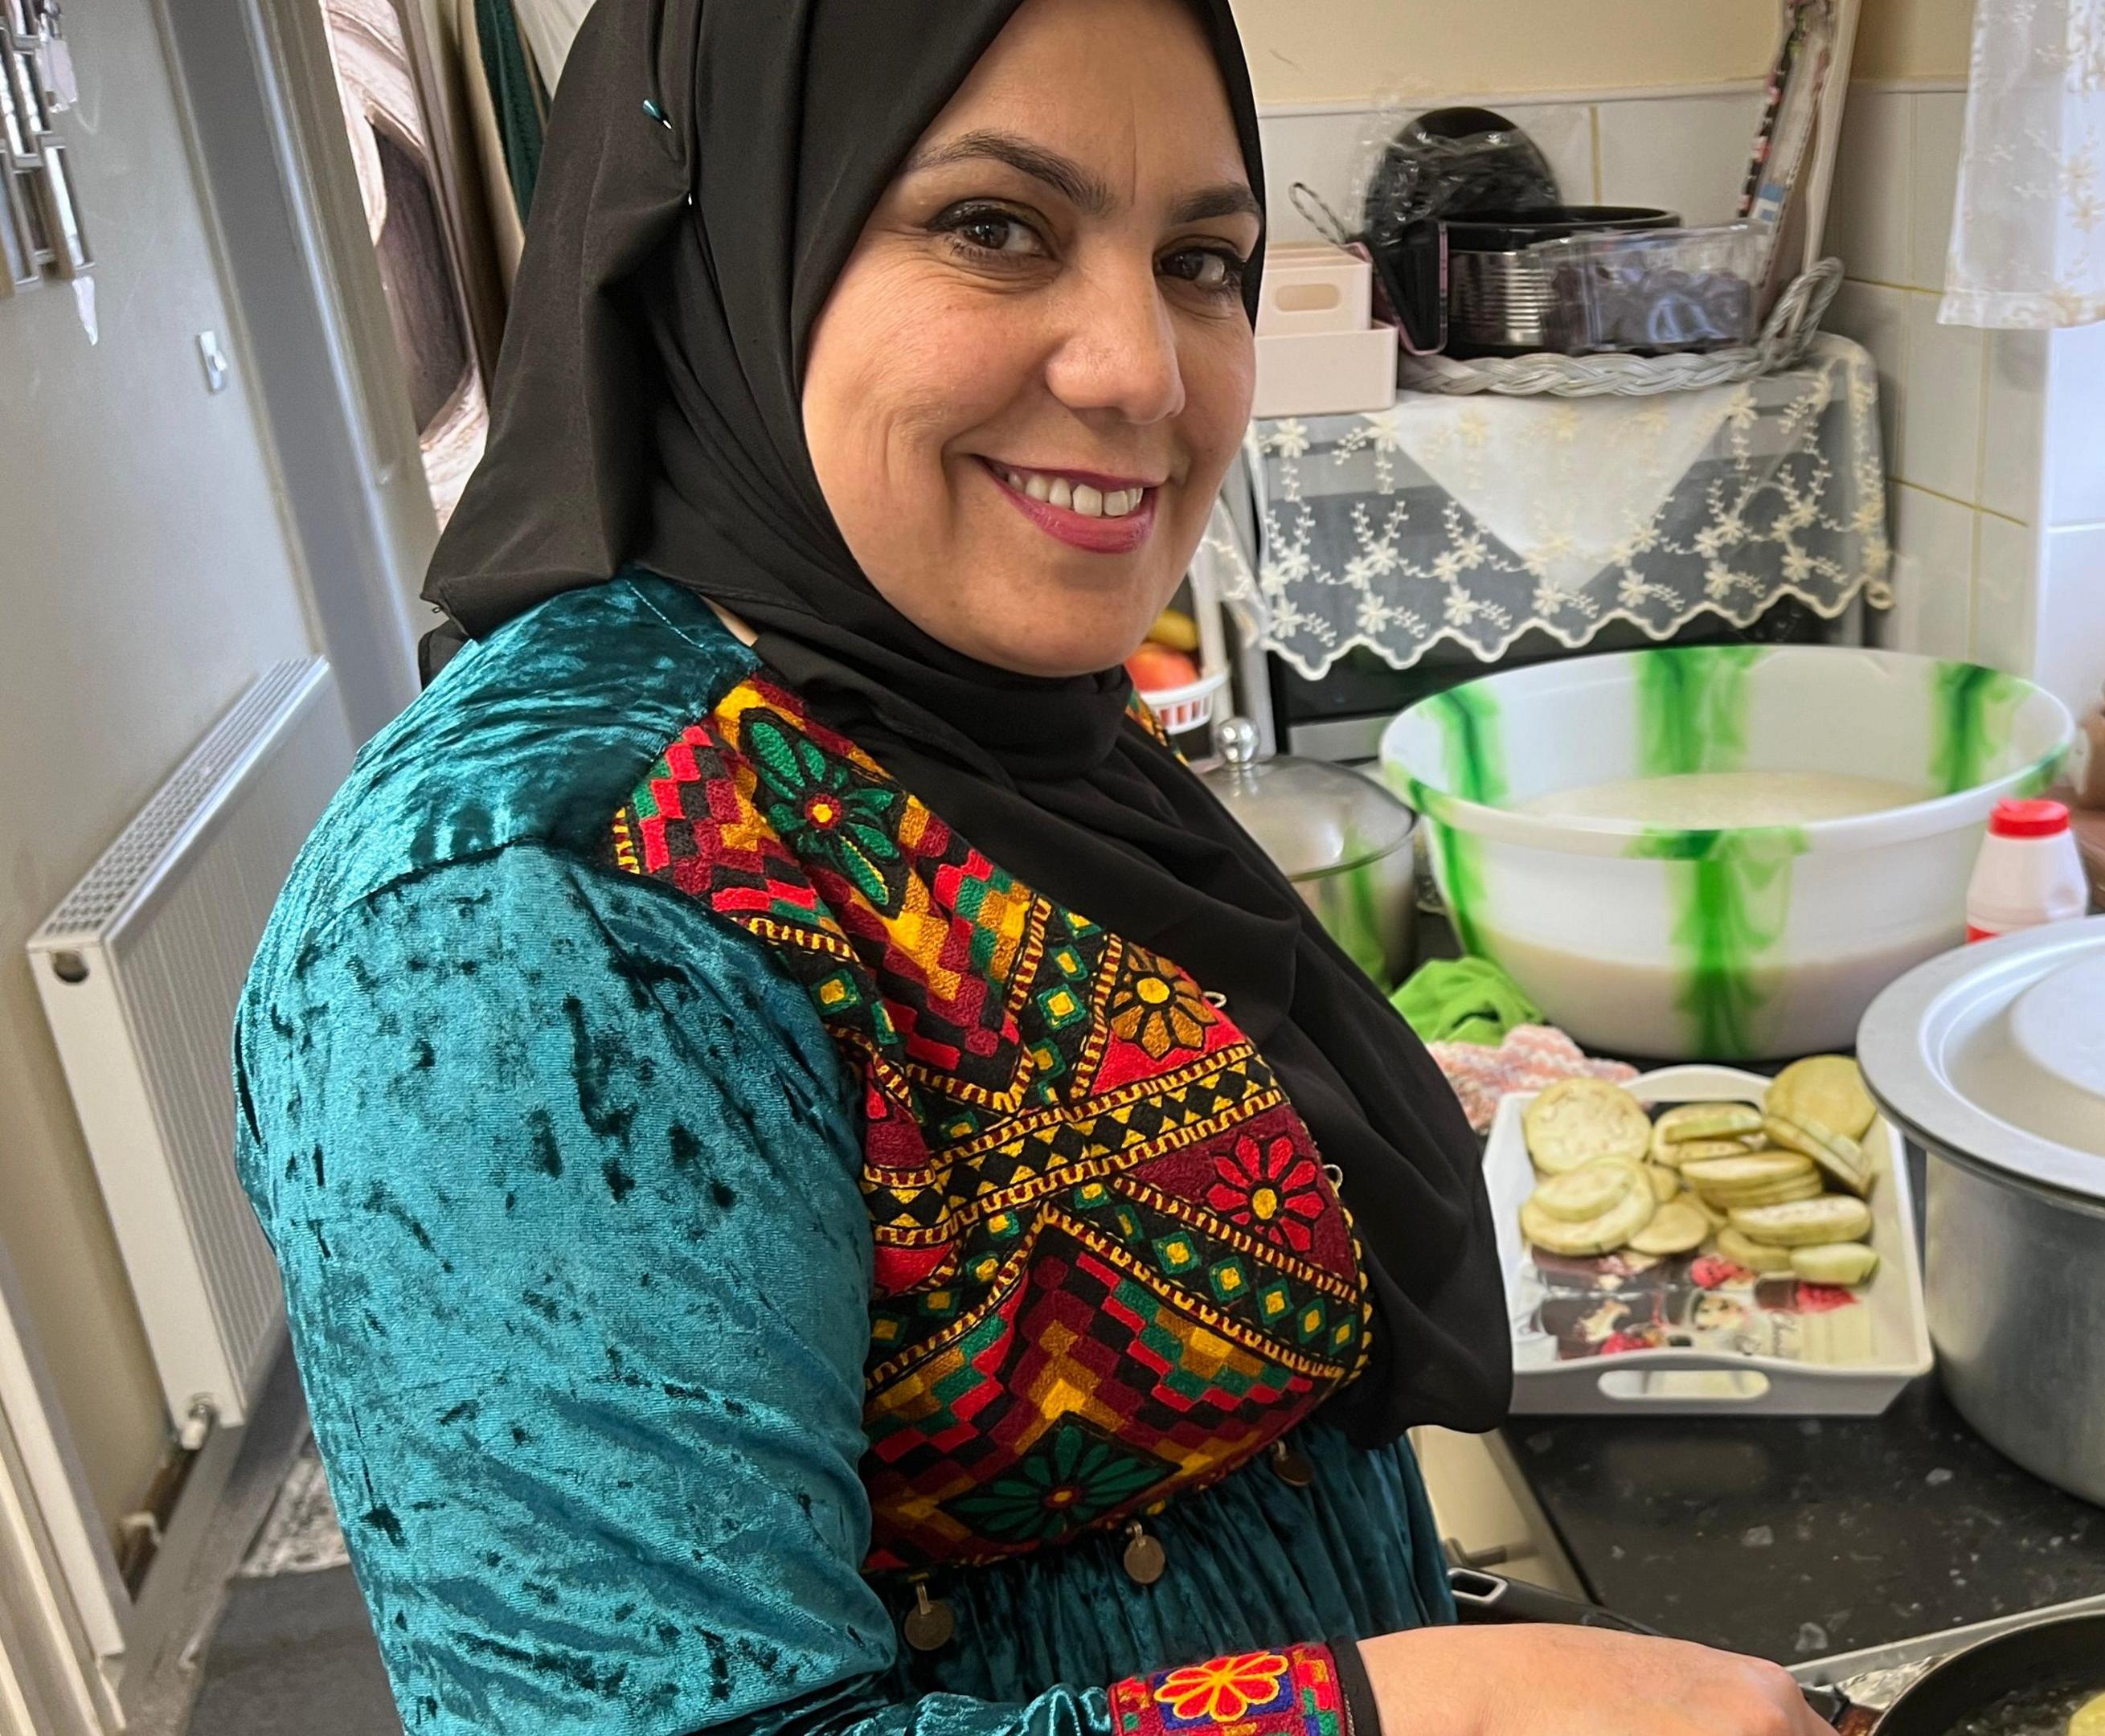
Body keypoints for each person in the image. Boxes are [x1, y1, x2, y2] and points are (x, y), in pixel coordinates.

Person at [230, 2, 1841, 1732]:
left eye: (1202, 259)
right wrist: (1438, 1715)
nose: (1141, 370)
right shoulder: (527, 922)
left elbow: (988, 1132)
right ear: (730, 248)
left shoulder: (939, 693)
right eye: (993, 227)